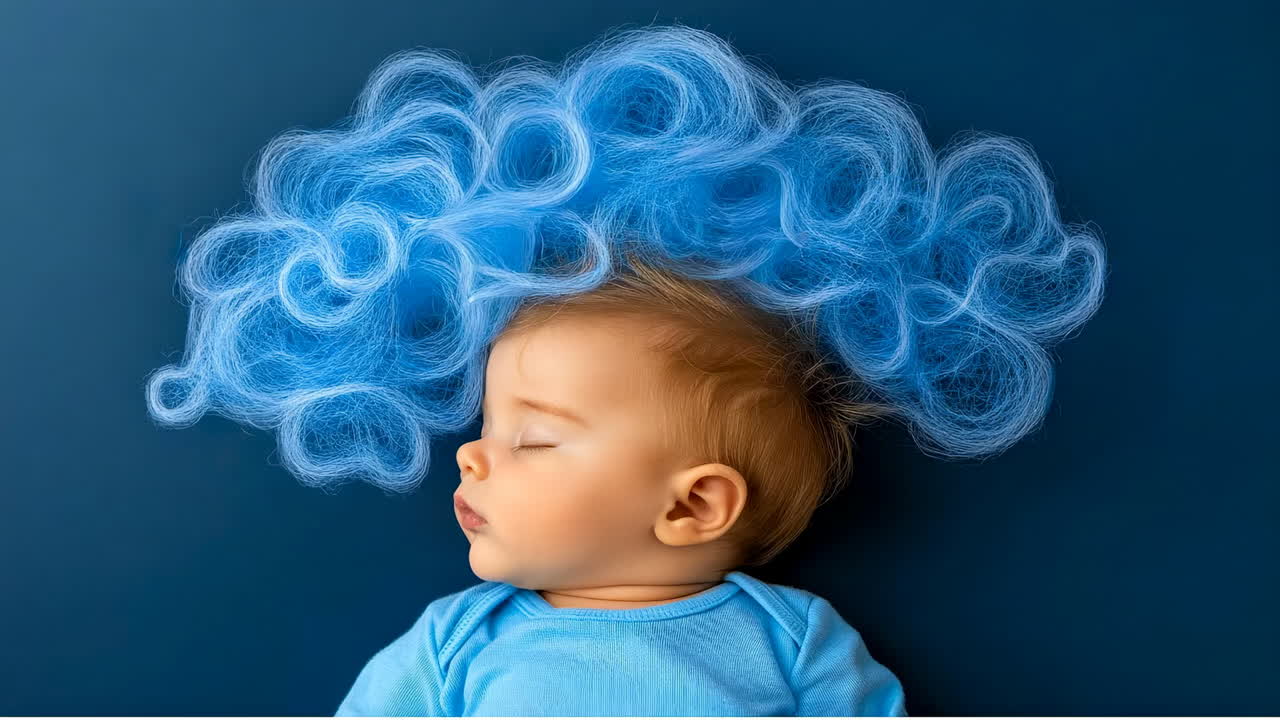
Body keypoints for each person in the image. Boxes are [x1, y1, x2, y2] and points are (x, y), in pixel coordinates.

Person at [145, 22, 1107, 717]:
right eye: (485, 432)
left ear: (692, 507)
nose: (471, 461)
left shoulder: (790, 642)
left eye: (531, 438)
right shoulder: (457, 643)